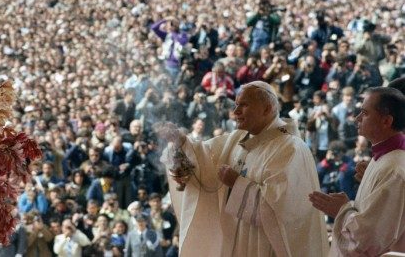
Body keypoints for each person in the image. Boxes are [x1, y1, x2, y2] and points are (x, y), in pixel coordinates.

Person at [161, 81, 328, 256]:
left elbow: (283, 211)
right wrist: (181, 142)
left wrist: (236, 183)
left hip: (266, 247)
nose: (235, 112)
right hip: (237, 240)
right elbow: (204, 157)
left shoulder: (290, 148)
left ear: (267, 108)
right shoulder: (239, 139)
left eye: (244, 105)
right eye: (235, 105)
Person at [309, 87, 405, 255]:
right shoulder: (385, 159)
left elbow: (369, 240)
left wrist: (342, 210)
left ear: (386, 121)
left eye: (365, 113)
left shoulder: (393, 169)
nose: (357, 118)